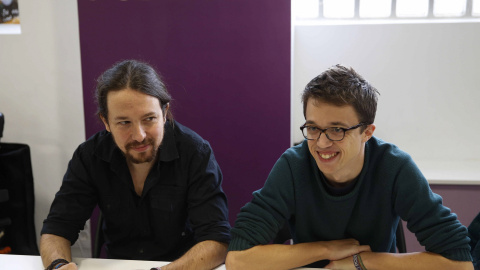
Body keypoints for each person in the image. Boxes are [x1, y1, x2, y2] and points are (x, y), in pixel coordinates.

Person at [225, 65, 473, 270]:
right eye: (313, 128)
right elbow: (237, 259)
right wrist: (327, 249)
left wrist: (361, 261)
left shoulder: (394, 167)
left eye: (337, 129)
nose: (322, 143)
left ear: (367, 132)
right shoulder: (294, 165)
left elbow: (460, 262)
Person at [40, 60, 231, 270]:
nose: (139, 136)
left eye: (149, 119)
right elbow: (57, 228)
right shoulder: (90, 156)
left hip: (181, 266)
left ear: (164, 113)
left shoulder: (195, 153)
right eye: (124, 123)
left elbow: (217, 240)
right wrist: (58, 266)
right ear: (106, 122)